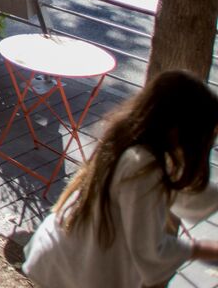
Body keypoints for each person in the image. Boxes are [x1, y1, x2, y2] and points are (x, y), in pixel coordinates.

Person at [23, 70, 218, 287]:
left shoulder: (129, 140)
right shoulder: (143, 165)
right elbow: (149, 249)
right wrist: (199, 250)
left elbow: (175, 193)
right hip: (76, 268)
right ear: (180, 129)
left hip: (64, 255)